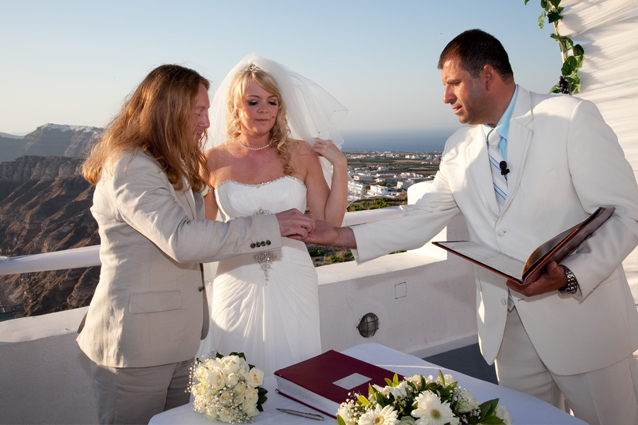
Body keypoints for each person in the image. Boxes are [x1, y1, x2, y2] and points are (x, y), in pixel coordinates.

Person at [303, 30, 638, 424]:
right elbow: (421, 219)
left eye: (452, 83)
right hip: (507, 334)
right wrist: (341, 236)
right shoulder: (456, 148)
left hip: (586, 330)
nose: (445, 97)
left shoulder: (570, 118)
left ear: (488, 75)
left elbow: (625, 213)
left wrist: (569, 276)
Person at [77, 64, 315, 425]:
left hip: (176, 340)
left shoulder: (163, 163)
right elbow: (183, 239)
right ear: (169, 110)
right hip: (137, 346)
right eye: (199, 111)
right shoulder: (131, 167)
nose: (207, 122)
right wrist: (271, 225)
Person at [197, 54, 349, 376]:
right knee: (234, 375)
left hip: (292, 276)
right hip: (234, 280)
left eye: (272, 101)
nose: (264, 110)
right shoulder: (212, 159)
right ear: (236, 107)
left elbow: (330, 225)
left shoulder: (300, 153)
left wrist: (340, 168)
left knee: (297, 370)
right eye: (253, 102)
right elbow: (204, 233)